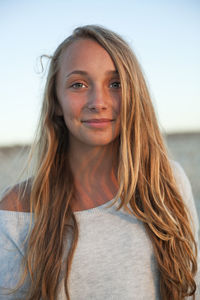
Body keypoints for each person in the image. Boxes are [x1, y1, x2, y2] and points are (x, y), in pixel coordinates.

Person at [0, 25, 199, 300]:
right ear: (56, 100)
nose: (98, 101)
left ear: (134, 93)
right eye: (78, 85)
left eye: (115, 84)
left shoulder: (168, 184)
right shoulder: (16, 211)